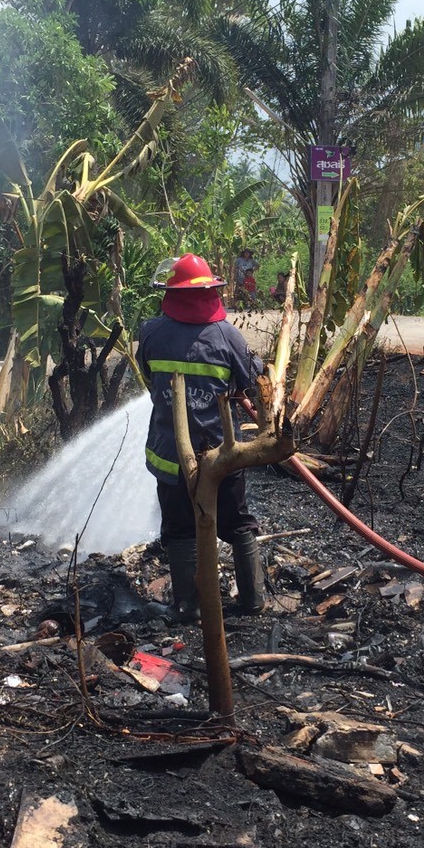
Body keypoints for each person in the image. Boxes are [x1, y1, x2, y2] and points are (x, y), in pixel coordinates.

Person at [138, 253, 267, 620]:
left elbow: (149, 379)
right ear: (211, 291)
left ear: (171, 294)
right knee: (237, 522)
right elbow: (248, 380)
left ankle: (188, 606)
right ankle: (252, 600)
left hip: (171, 458)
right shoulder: (227, 335)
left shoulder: (151, 332)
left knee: (179, 530)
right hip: (219, 457)